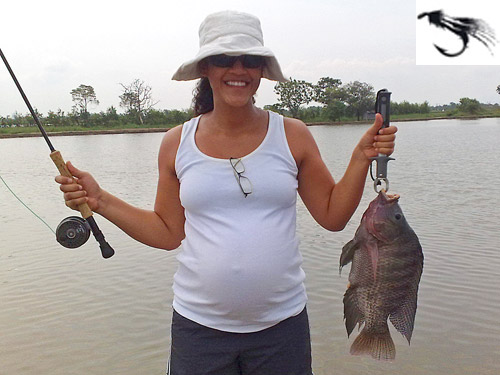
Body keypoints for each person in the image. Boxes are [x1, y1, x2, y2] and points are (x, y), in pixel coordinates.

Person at [55, 10, 397, 375]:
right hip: (198, 329)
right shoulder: (176, 143)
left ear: (262, 70)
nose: (238, 70)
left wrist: (362, 157)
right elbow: (167, 232)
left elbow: (332, 216)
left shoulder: (293, 135)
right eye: (223, 59)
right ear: (205, 68)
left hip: (282, 326)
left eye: (250, 60)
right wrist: (100, 200)